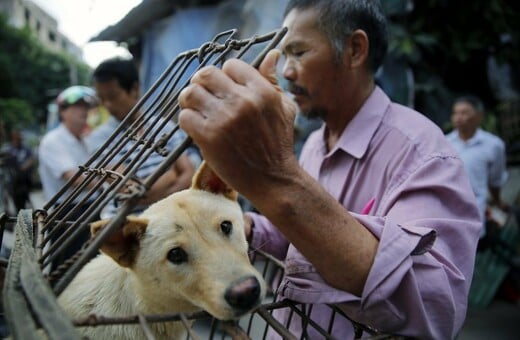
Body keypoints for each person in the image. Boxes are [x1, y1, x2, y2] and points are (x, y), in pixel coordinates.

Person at [178, 0, 481, 339]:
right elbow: (299, 234)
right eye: (283, 56)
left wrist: (276, 178)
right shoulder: (314, 143)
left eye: (299, 52)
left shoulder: (422, 153)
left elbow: (434, 306)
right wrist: (246, 228)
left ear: (354, 50)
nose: (287, 71)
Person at [86, 57, 199, 217]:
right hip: (124, 225)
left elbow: (188, 175)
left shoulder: (163, 127)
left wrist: (149, 190)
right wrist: (172, 174)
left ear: (135, 89)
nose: (107, 105)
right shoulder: (100, 139)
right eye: (102, 99)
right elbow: (130, 191)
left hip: (170, 219)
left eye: (112, 96)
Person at [38, 85, 100, 268]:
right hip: (67, 213)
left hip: (90, 207)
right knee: (68, 268)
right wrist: (108, 181)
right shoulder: (53, 140)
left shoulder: (85, 140)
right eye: (77, 106)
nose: (83, 111)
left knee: (91, 266)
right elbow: (76, 179)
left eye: (85, 106)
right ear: (63, 112)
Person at [446, 95, 509, 240]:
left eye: (464, 112)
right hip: (448, 209)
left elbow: (495, 180)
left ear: (479, 116)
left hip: (474, 211)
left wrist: (497, 201)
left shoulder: (493, 145)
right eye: (455, 113)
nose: (458, 117)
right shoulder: (444, 142)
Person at [6, 130, 35, 211]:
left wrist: (24, 167)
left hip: (25, 180)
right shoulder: (9, 149)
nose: (19, 140)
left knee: (26, 200)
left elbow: (31, 159)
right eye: (17, 139)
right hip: (13, 182)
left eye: (20, 139)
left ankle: (26, 217)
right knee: (17, 203)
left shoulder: (25, 148)